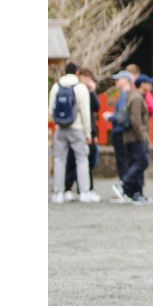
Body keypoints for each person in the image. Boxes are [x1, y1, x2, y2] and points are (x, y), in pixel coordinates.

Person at [49, 63, 99, 204]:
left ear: (64, 71)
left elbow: (51, 109)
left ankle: (59, 193)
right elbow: (85, 112)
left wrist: (58, 122)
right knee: (82, 159)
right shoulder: (80, 87)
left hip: (60, 129)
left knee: (59, 160)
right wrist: (88, 133)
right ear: (77, 72)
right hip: (77, 128)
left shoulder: (56, 86)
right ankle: (84, 192)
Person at [112, 73, 151, 203]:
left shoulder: (133, 96)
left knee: (136, 163)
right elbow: (135, 120)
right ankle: (124, 184)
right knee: (142, 162)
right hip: (135, 137)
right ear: (143, 85)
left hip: (130, 136)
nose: (150, 85)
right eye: (148, 83)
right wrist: (142, 136)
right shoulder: (137, 98)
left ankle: (135, 192)